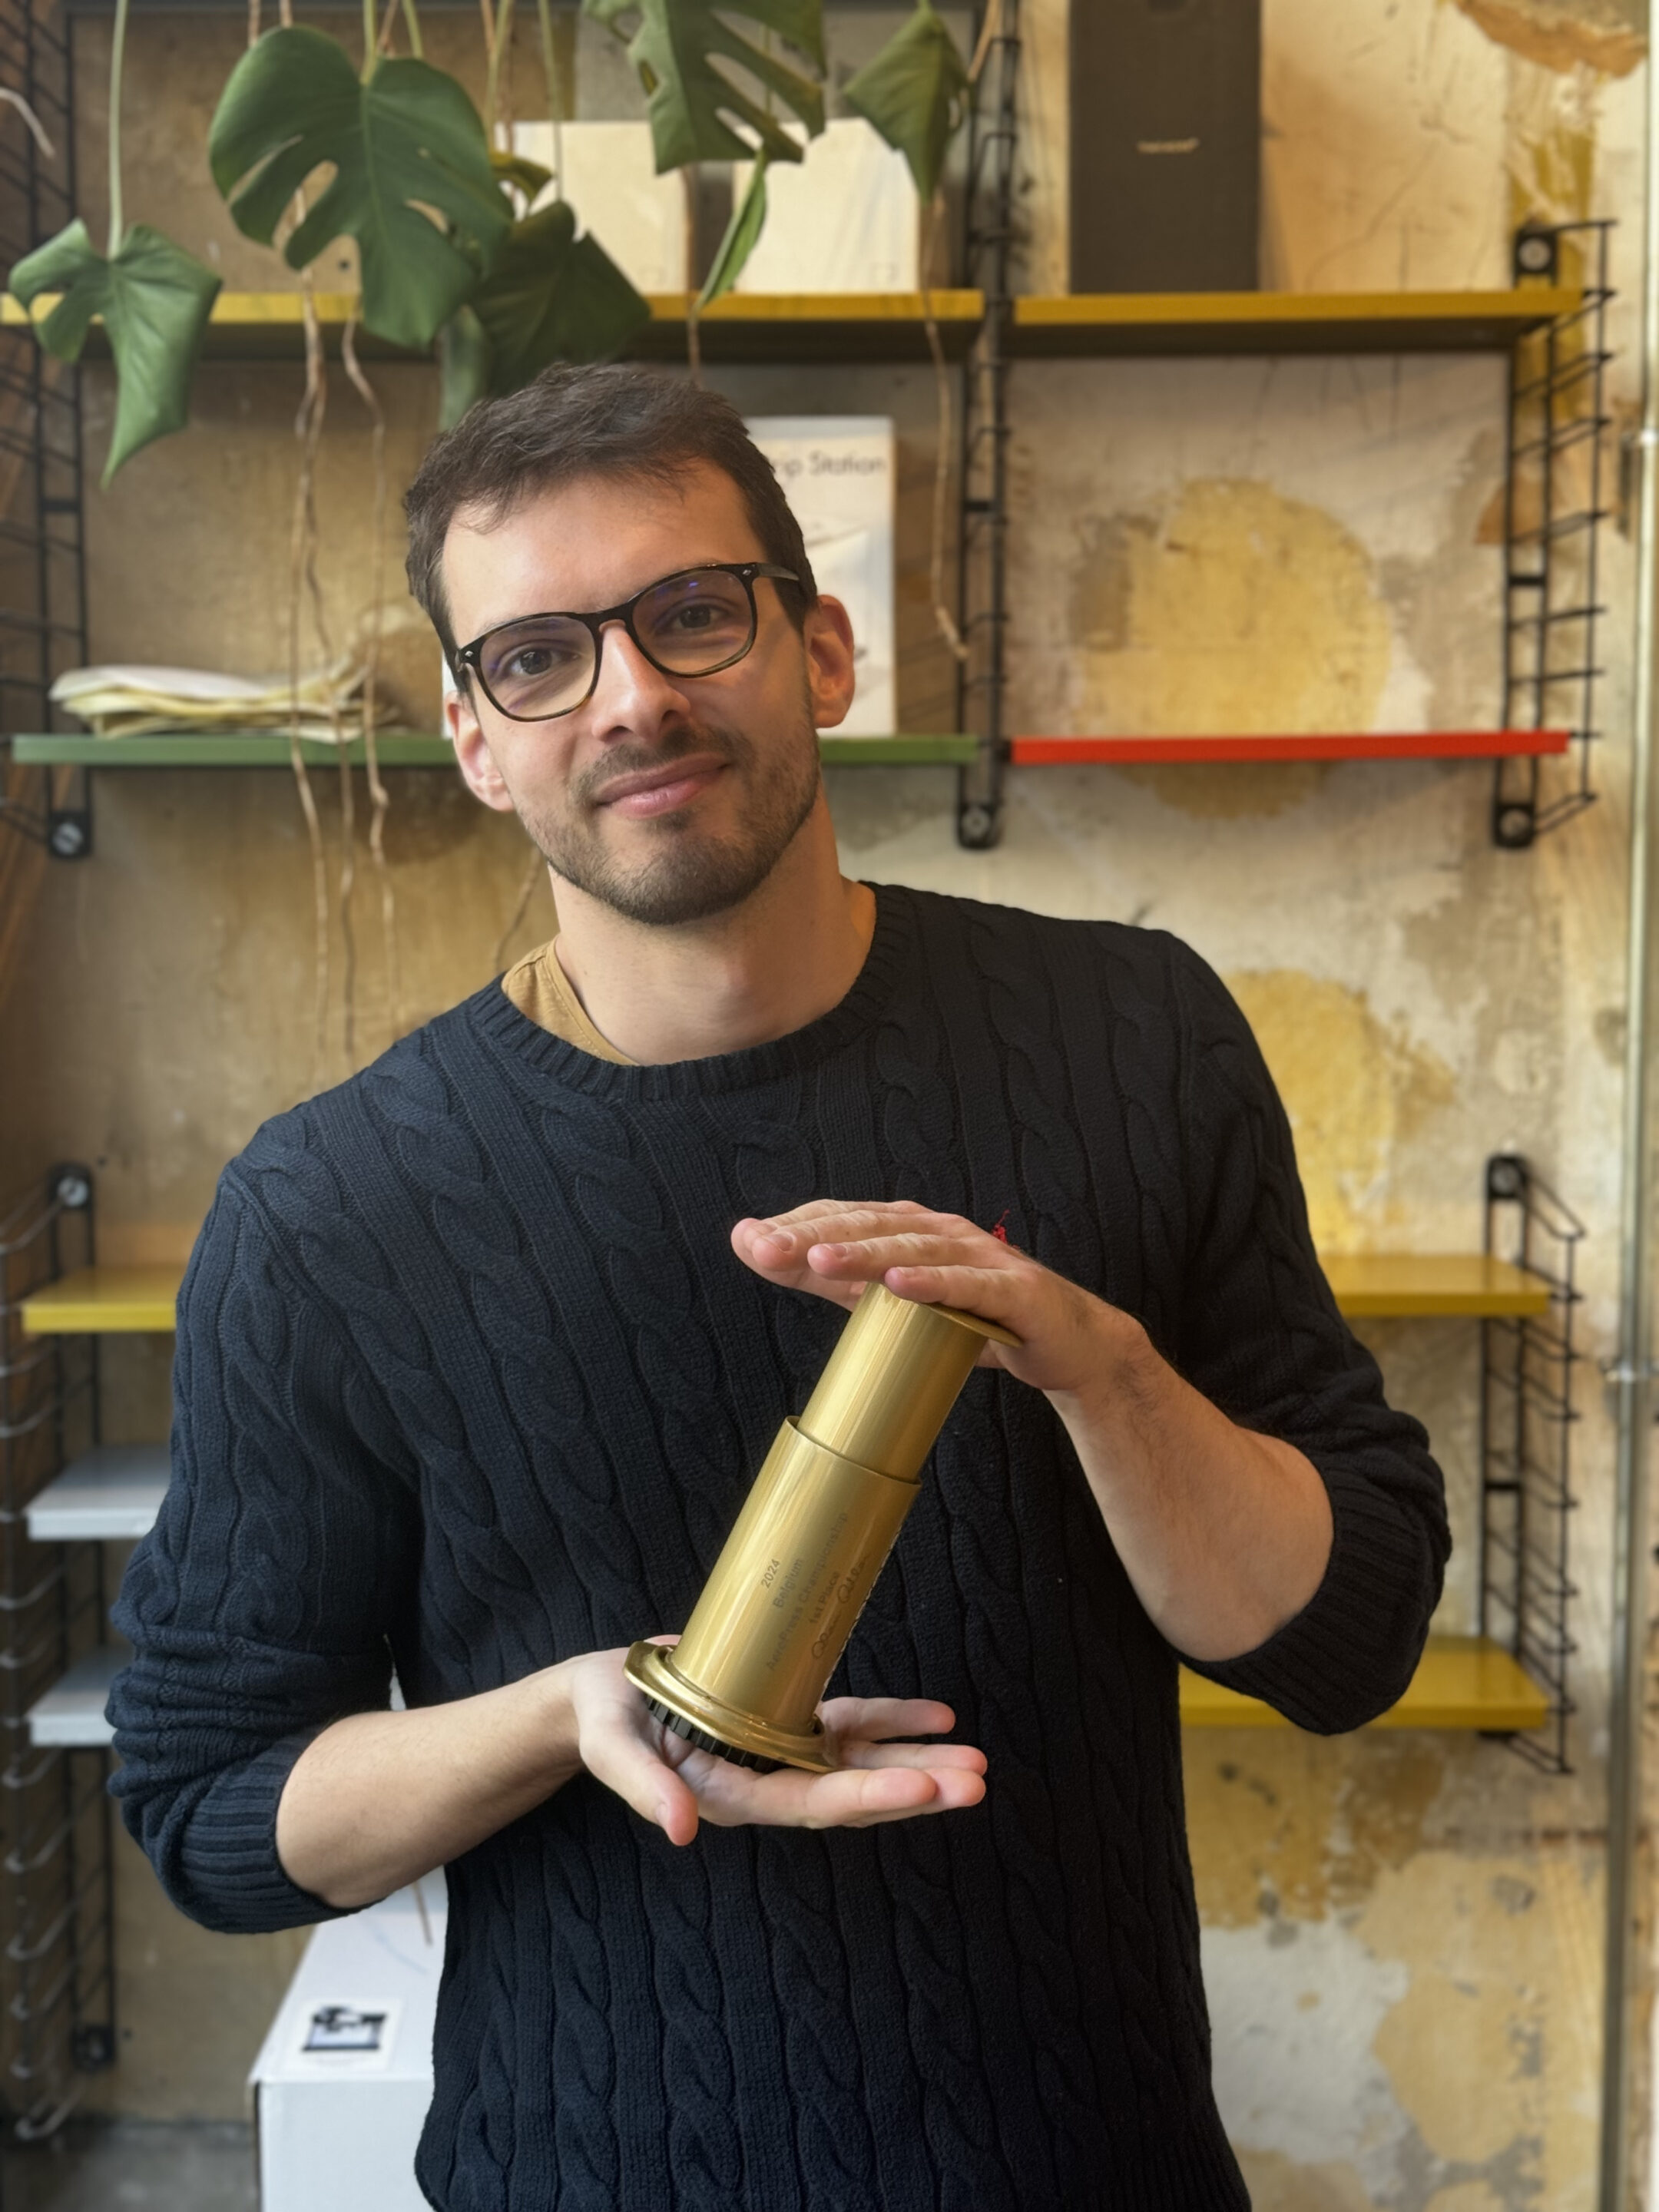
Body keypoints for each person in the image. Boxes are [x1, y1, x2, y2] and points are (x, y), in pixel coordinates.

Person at [109, 363, 1449, 2212]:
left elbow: (1345, 1634)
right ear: (476, 737)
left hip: (1095, 2167)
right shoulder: (332, 1208)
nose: (635, 694)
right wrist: (571, 1714)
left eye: (692, 614)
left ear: (822, 649)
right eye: (538, 657)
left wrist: (1106, 1375)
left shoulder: (1131, 1037)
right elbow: (210, 1814)